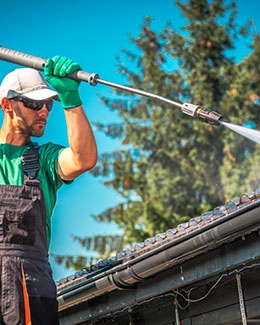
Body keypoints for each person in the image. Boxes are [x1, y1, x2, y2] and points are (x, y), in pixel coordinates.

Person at [0, 56, 98, 324]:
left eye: (47, 104)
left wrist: (70, 99)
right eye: (33, 104)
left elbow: (83, 159)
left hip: (30, 288)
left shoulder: (43, 159)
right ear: (7, 105)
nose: (43, 111)